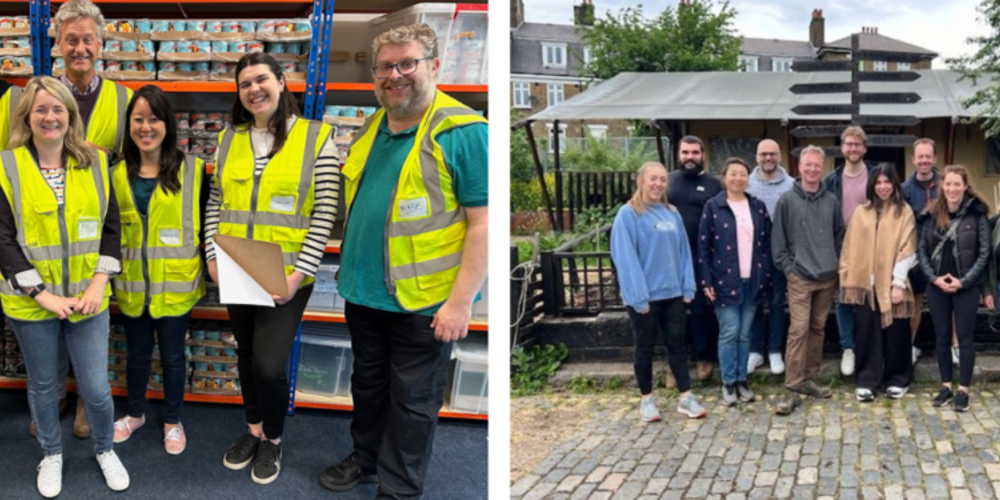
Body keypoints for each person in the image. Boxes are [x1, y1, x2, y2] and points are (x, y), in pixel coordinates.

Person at [318, 24, 487, 499]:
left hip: (425, 303)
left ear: (433, 66)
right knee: (368, 387)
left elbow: (485, 224)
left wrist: (461, 302)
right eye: (386, 67)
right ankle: (366, 459)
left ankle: (398, 489)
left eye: (407, 63)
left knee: (412, 404)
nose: (395, 75)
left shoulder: (463, 132)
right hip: (365, 291)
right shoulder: (374, 125)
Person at [0, 0, 134, 440]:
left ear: (102, 44)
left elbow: (136, 159)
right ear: (57, 44)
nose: (80, 48)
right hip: (37, 235)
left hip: (91, 236)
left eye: (88, 39)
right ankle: (52, 394)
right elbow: (9, 163)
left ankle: (81, 403)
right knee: (44, 342)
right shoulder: (27, 96)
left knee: (90, 334)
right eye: (71, 39)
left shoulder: (123, 98)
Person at [204, 52, 339, 484]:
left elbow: (325, 210)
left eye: (261, 79)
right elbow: (215, 202)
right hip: (236, 268)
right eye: (244, 84)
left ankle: (274, 441)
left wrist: (299, 272)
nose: (253, 90)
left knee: (268, 364)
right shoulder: (228, 139)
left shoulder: (317, 137)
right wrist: (211, 256)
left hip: (287, 275)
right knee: (245, 355)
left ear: (282, 82)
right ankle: (253, 430)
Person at [108, 86, 207, 455]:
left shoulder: (194, 170)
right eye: (138, 119)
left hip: (177, 288)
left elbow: (207, 225)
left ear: (168, 123)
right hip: (132, 287)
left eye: (154, 118)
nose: (145, 126)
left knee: (172, 357)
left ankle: (172, 420)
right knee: (136, 355)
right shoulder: (116, 174)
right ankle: (135, 415)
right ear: (128, 124)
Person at [611, 162, 706, 421]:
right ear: (641, 181)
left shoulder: (671, 213)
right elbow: (625, 257)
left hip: (673, 293)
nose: (658, 184)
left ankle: (686, 398)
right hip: (645, 297)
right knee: (644, 347)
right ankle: (647, 400)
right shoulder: (628, 215)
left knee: (677, 345)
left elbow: (683, 251)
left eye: (663, 180)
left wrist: (688, 285)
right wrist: (638, 296)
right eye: (653, 179)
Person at [771, 145, 844, 415]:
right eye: (807, 165)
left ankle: (809, 379)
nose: (812, 169)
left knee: (817, 329)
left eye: (817, 165)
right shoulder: (787, 201)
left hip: (826, 277)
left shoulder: (831, 201)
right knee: (798, 330)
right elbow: (778, 243)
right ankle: (792, 388)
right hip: (799, 277)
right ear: (799, 167)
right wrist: (790, 270)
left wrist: (833, 265)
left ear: (822, 167)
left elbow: (839, 236)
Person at [839, 165, 917, 402]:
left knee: (897, 333)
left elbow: (909, 248)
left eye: (887, 182)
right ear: (872, 185)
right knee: (866, 332)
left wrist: (898, 282)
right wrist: (850, 276)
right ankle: (866, 380)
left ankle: (897, 379)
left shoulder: (903, 212)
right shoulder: (862, 212)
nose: (883, 187)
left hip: (895, 283)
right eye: (878, 182)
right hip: (865, 284)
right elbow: (850, 246)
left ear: (894, 184)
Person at [697, 158, 772, 406]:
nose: (738, 178)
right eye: (734, 174)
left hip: (753, 279)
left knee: (744, 333)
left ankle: (742, 379)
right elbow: (704, 246)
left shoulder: (757, 207)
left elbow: (767, 242)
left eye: (743, 174)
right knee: (729, 331)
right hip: (724, 279)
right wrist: (706, 279)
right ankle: (728, 382)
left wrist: (766, 273)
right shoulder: (713, 206)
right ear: (724, 176)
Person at [918, 165, 991, 412]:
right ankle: (946, 385)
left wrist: (964, 281)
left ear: (965, 186)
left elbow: (984, 253)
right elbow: (922, 252)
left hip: (965, 286)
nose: (952, 189)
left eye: (956, 184)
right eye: (948, 184)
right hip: (937, 286)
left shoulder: (977, 215)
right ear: (942, 187)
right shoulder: (930, 214)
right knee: (941, 337)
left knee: (965, 338)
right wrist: (933, 279)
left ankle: (964, 390)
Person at [666, 135, 722, 385]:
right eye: (685, 152)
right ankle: (674, 364)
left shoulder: (714, 184)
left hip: (703, 258)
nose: (690, 157)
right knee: (672, 312)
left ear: (703, 155)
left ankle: (704, 357)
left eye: (695, 153)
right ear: (679, 154)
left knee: (702, 310)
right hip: (671, 258)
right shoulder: (666, 182)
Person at [824, 126, 878, 377]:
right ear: (842, 147)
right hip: (840, 245)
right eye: (849, 144)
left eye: (858, 144)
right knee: (844, 297)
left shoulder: (877, 176)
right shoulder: (831, 180)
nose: (853, 148)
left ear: (864, 148)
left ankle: (869, 348)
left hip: (872, 244)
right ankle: (848, 348)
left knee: (869, 295)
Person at [746, 139, 794, 375]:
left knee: (776, 303)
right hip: (752, 255)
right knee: (754, 303)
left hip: (780, 255)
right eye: (763, 154)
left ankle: (775, 350)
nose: (768, 158)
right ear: (756, 156)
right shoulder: (746, 184)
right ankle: (755, 350)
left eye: (772, 154)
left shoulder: (792, 185)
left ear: (779, 156)